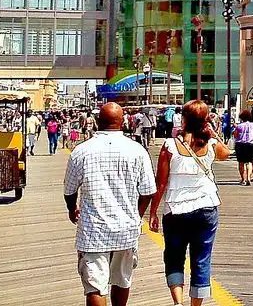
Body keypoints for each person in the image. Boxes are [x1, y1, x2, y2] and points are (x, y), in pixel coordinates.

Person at [63, 102, 156, 306]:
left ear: (97, 121)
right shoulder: (137, 151)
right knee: (122, 279)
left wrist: (72, 209)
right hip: (126, 228)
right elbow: (148, 191)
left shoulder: (81, 151)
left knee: (95, 286)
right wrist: (137, 214)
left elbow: (69, 190)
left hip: (93, 230)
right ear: (123, 122)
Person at [149, 100, 231, 306]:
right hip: (206, 206)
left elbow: (161, 182)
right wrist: (213, 133)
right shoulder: (210, 143)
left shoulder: (170, 145)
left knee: (174, 256)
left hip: (176, 209)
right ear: (205, 119)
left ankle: (178, 303)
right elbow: (226, 154)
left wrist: (153, 212)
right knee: (202, 259)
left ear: (183, 119)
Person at [233, 110, 253, 186]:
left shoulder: (239, 126)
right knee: (249, 162)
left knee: (241, 163)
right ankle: (248, 178)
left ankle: (243, 179)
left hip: (240, 145)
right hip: (251, 145)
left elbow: (235, 135)